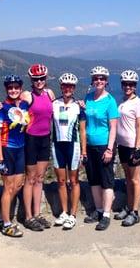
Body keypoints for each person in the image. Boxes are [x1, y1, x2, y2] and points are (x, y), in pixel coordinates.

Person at [82, 66, 119, 231]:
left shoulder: (110, 101)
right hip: (90, 146)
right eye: (96, 78)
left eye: (102, 79)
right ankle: (97, 210)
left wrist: (110, 149)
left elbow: (113, 127)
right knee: (94, 180)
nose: (99, 81)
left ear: (106, 81)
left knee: (107, 181)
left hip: (104, 145)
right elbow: (85, 118)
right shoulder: (88, 98)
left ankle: (106, 214)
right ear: (92, 80)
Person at [21, 64, 55, 231]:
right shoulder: (27, 95)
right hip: (31, 139)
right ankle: (28, 217)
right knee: (30, 178)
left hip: (45, 138)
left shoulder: (50, 94)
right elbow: (14, 111)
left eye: (42, 78)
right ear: (31, 80)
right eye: (36, 79)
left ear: (46, 79)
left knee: (40, 178)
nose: (39, 81)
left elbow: (58, 111)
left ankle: (37, 214)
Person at [50, 73, 86, 230]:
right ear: (61, 87)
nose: (67, 89)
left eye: (71, 86)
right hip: (57, 145)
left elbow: (83, 131)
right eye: (65, 86)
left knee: (74, 181)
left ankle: (73, 215)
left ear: (74, 88)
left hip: (74, 146)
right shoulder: (53, 104)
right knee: (61, 181)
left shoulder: (79, 106)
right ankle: (64, 212)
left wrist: (84, 151)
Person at [0, 74, 29, 237]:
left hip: (21, 149)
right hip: (7, 149)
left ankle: (1, 217)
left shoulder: (24, 105)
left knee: (18, 185)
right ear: (6, 89)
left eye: (16, 87)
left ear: (21, 89)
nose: (13, 90)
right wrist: (0, 157)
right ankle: (6, 224)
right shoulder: (1, 109)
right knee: (8, 188)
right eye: (10, 88)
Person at [114, 70, 140, 227]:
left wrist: (138, 146)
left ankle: (135, 212)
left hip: (133, 146)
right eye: (125, 84)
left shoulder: (138, 103)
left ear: (135, 86)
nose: (127, 86)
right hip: (122, 145)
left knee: (135, 179)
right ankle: (128, 206)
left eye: (131, 84)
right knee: (127, 179)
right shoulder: (122, 101)